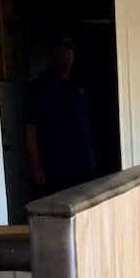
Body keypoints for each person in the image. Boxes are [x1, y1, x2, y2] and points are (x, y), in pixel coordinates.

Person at [23, 36, 96, 197]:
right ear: (52, 56)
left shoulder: (78, 86)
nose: (65, 56)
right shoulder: (39, 89)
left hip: (82, 167)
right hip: (55, 169)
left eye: (68, 51)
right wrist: (35, 166)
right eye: (60, 52)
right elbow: (30, 129)